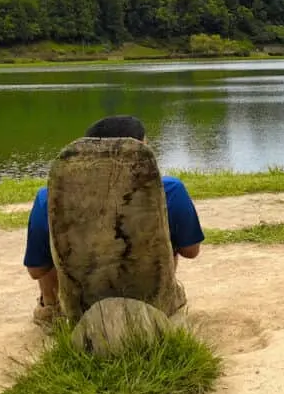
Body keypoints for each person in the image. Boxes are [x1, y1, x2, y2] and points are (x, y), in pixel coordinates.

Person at [23, 115, 205, 329]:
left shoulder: (50, 197)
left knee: (53, 245)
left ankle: (51, 310)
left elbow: (36, 269)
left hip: (80, 310)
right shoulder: (170, 191)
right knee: (163, 233)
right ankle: (162, 302)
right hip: (152, 304)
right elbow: (191, 250)